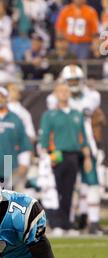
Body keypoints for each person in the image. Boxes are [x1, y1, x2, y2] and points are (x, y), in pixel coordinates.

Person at [40, 82, 91, 234]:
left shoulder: (77, 114)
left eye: (66, 91)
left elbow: (83, 137)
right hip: (57, 155)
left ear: (70, 93)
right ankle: (56, 223)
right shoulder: (50, 115)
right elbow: (44, 139)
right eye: (60, 91)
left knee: (69, 190)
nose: (63, 93)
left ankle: (67, 223)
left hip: (73, 155)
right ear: (55, 93)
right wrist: (47, 157)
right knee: (55, 190)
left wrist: (87, 157)